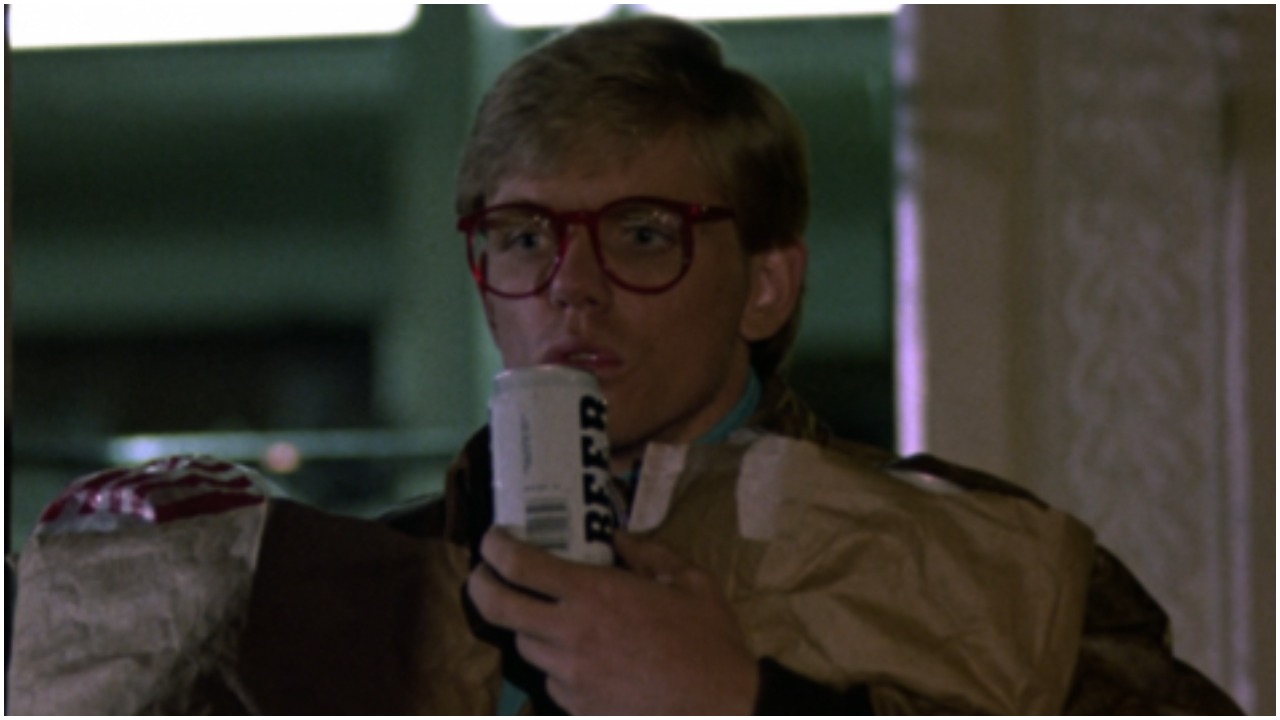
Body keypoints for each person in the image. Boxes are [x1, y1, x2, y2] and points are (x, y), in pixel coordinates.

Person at [382, 14, 1241, 715]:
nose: (571, 286)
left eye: (643, 234)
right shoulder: (368, 587)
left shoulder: (985, 570)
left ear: (765, 288)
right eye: (524, 238)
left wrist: (748, 704)